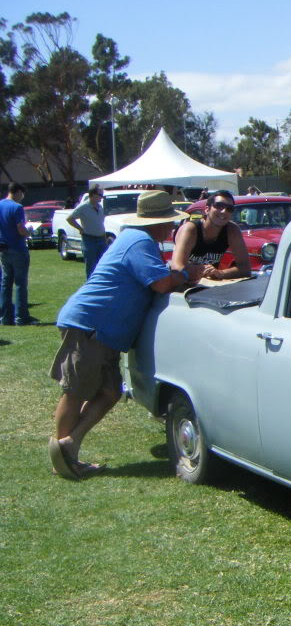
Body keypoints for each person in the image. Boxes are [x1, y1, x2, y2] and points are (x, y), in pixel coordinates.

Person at [47, 190, 203, 479]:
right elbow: (160, 283)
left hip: (103, 332)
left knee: (108, 392)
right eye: (169, 221)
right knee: (75, 391)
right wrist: (184, 273)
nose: (172, 227)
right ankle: (62, 458)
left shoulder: (139, 242)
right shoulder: (139, 242)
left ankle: (69, 444)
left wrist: (176, 273)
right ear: (155, 222)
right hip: (90, 325)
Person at [170, 190, 250, 280]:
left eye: (229, 209)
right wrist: (197, 272)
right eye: (219, 206)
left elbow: (245, 268)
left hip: (208, 285)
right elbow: (176, 267)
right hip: (184, 284)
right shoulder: (190, 230)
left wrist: (220, 273)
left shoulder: (232, 230)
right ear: (207, 209)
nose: (224, 211)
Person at [0, 182, 35, 326]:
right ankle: (21, 317)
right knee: (20, 283)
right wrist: (29, 232)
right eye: (22, 193)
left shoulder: (1, 204)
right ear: (18, 192)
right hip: (17, 248)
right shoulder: (17, 207)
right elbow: (21, 229)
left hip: (3, 248)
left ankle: (5, 317)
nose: (22, 197)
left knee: (5, 283)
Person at [67, 186, 107, 279]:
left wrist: (104, 237)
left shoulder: (100, 207)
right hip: (89, 239)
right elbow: (70, 218)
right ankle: (91, 285)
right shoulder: (83, 207)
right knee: (91, 265)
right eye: (100, 195)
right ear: (92, 195)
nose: (102, 197)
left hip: (101, 238)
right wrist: (80, 228)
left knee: (103, 264)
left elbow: (100, 223)